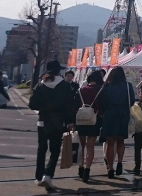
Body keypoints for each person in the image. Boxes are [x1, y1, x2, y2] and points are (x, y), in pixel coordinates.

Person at [29, 60, 75, 190]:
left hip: (42, 121)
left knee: (41, 150)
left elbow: (32, 104)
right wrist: (70, 121)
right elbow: (69, 106)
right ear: (58, 71)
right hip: (58, 123)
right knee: (54, 150)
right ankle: (48, 175)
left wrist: (43, 108)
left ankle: (38, 177)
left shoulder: (41, 85)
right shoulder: (65, 86)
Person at [98, 66, 135, 179]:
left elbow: (101, 102)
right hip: (123, 114)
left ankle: (110, 167)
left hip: (110, 115)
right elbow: (132, 101)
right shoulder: (128, 86)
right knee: (120, 141)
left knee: (110, 142)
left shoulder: (106, 86)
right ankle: (119, 162)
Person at [75, 70, 104, 183]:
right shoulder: (100, 90)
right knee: (90, 146)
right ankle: (87, 169)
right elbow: (103, 106)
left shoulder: (81, 90)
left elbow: (75, 105)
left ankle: (81, 166)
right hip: (94, 120)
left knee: (82, 146)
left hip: (81, 120)